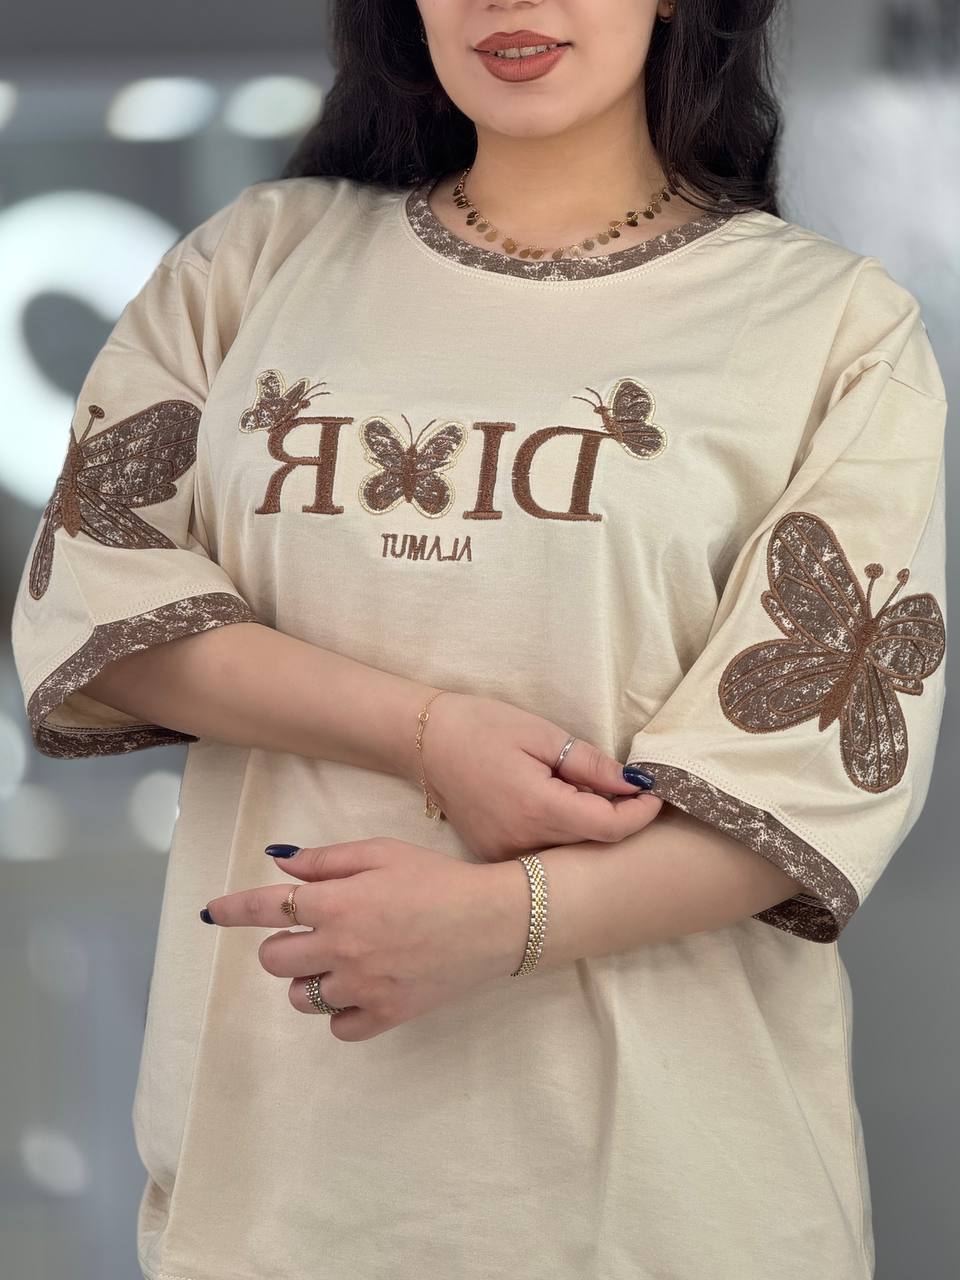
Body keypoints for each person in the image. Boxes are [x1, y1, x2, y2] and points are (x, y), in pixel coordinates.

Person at [9, 1, 949, 1277]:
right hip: (281, 1182)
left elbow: (820, 774)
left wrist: (506, 918)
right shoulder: (253, 263)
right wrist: (428, 733)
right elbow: (91, 600)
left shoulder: (832, 325)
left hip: (669, 1201)